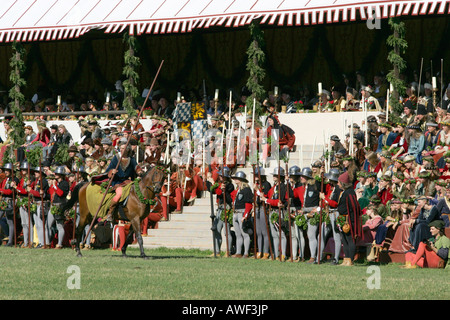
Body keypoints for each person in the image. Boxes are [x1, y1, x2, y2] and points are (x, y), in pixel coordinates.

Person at [104, 143, 141, 221]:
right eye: (120, 148)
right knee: (119, 194)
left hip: (128, 182)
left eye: (123, 148)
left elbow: (136, 167)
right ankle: (110, 213)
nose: (121, 150)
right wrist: (112, 171)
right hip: (117, 182)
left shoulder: (131, 159)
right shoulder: (116, 158)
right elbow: (108, 171)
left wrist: (139, 171)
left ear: (127, 150)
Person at [293, 167, 321, 263]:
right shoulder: (305, 187)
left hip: (313, 213)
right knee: (305, 235)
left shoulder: (315, 186)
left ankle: (313, 257)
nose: (301, 178)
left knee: (311, 235)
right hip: (305, 213)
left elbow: (315, 204)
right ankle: (303, 256)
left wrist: (306, 210)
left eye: (303, 176)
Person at [260, 167, 288, 261]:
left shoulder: (283, 187)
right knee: (274, 235)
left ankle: (283, 254)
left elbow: (278, 202)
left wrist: (266, 200)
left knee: (281, 234)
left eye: (276, 175)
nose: (274, 177)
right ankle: (276, 254)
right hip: (272, 212)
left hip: (278, 212)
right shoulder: (273, 187)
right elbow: (267, 196)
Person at [336, 171, 362, 266]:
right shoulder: (344, 192)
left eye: (339, 182)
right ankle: (346, 259)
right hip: (343, 219)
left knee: (350, 239)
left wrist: (351, 220)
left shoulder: (349, 192)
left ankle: (350, 259)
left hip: (349, 220)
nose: (337, 184)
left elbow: (354, 207)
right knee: (344, 240)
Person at [207, 166, 234, 256]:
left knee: (227, 232)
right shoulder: (219, 184)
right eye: (220, 176)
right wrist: (208, 180)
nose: (220, 177)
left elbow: (220, 193)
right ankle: (217, 251)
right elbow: (211, 190)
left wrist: (215, 183)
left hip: (227, 208)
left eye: (222, 176)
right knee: (217, 230)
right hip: (220, 208)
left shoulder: (230, 185)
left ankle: (228, 251)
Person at [318, 168, 342, 265]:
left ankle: (336, 258)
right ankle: (319, 256)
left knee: (336, 237)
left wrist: (325, 198)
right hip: (328, 213)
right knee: (321, 234)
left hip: (335, 213)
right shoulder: (331, 187)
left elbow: (335, 203)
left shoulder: (338, 189)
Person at [230, 171, 253, 258]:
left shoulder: (246, 190)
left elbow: (249, 204)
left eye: (236, 178)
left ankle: (246, 253)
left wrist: (245, 216)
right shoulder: (238, 190)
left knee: (245, 234)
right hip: (236, 212)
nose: (235, 179)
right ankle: (238, 252)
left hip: (242, 213)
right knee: (238, 234)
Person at [47, 167, 70, 249]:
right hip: (53, 205)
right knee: (48, 225)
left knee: (59, 225)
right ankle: (48, 242)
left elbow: (60, 193)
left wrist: (54, 185)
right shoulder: (56, 183)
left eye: (57, 174)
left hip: (60, 205)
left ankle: (59, 244)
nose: (55, 175)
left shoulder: (65, 183)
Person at [0, 163, 19, 247]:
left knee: (10, 221)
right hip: (3, 200)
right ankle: (7, 236)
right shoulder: (5, 179)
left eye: (7, 170)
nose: (6, 172)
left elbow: (11, 191)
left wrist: (1, 191)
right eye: (5, 170)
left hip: (9, 201)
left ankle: (10, 240)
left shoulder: (15, 179)